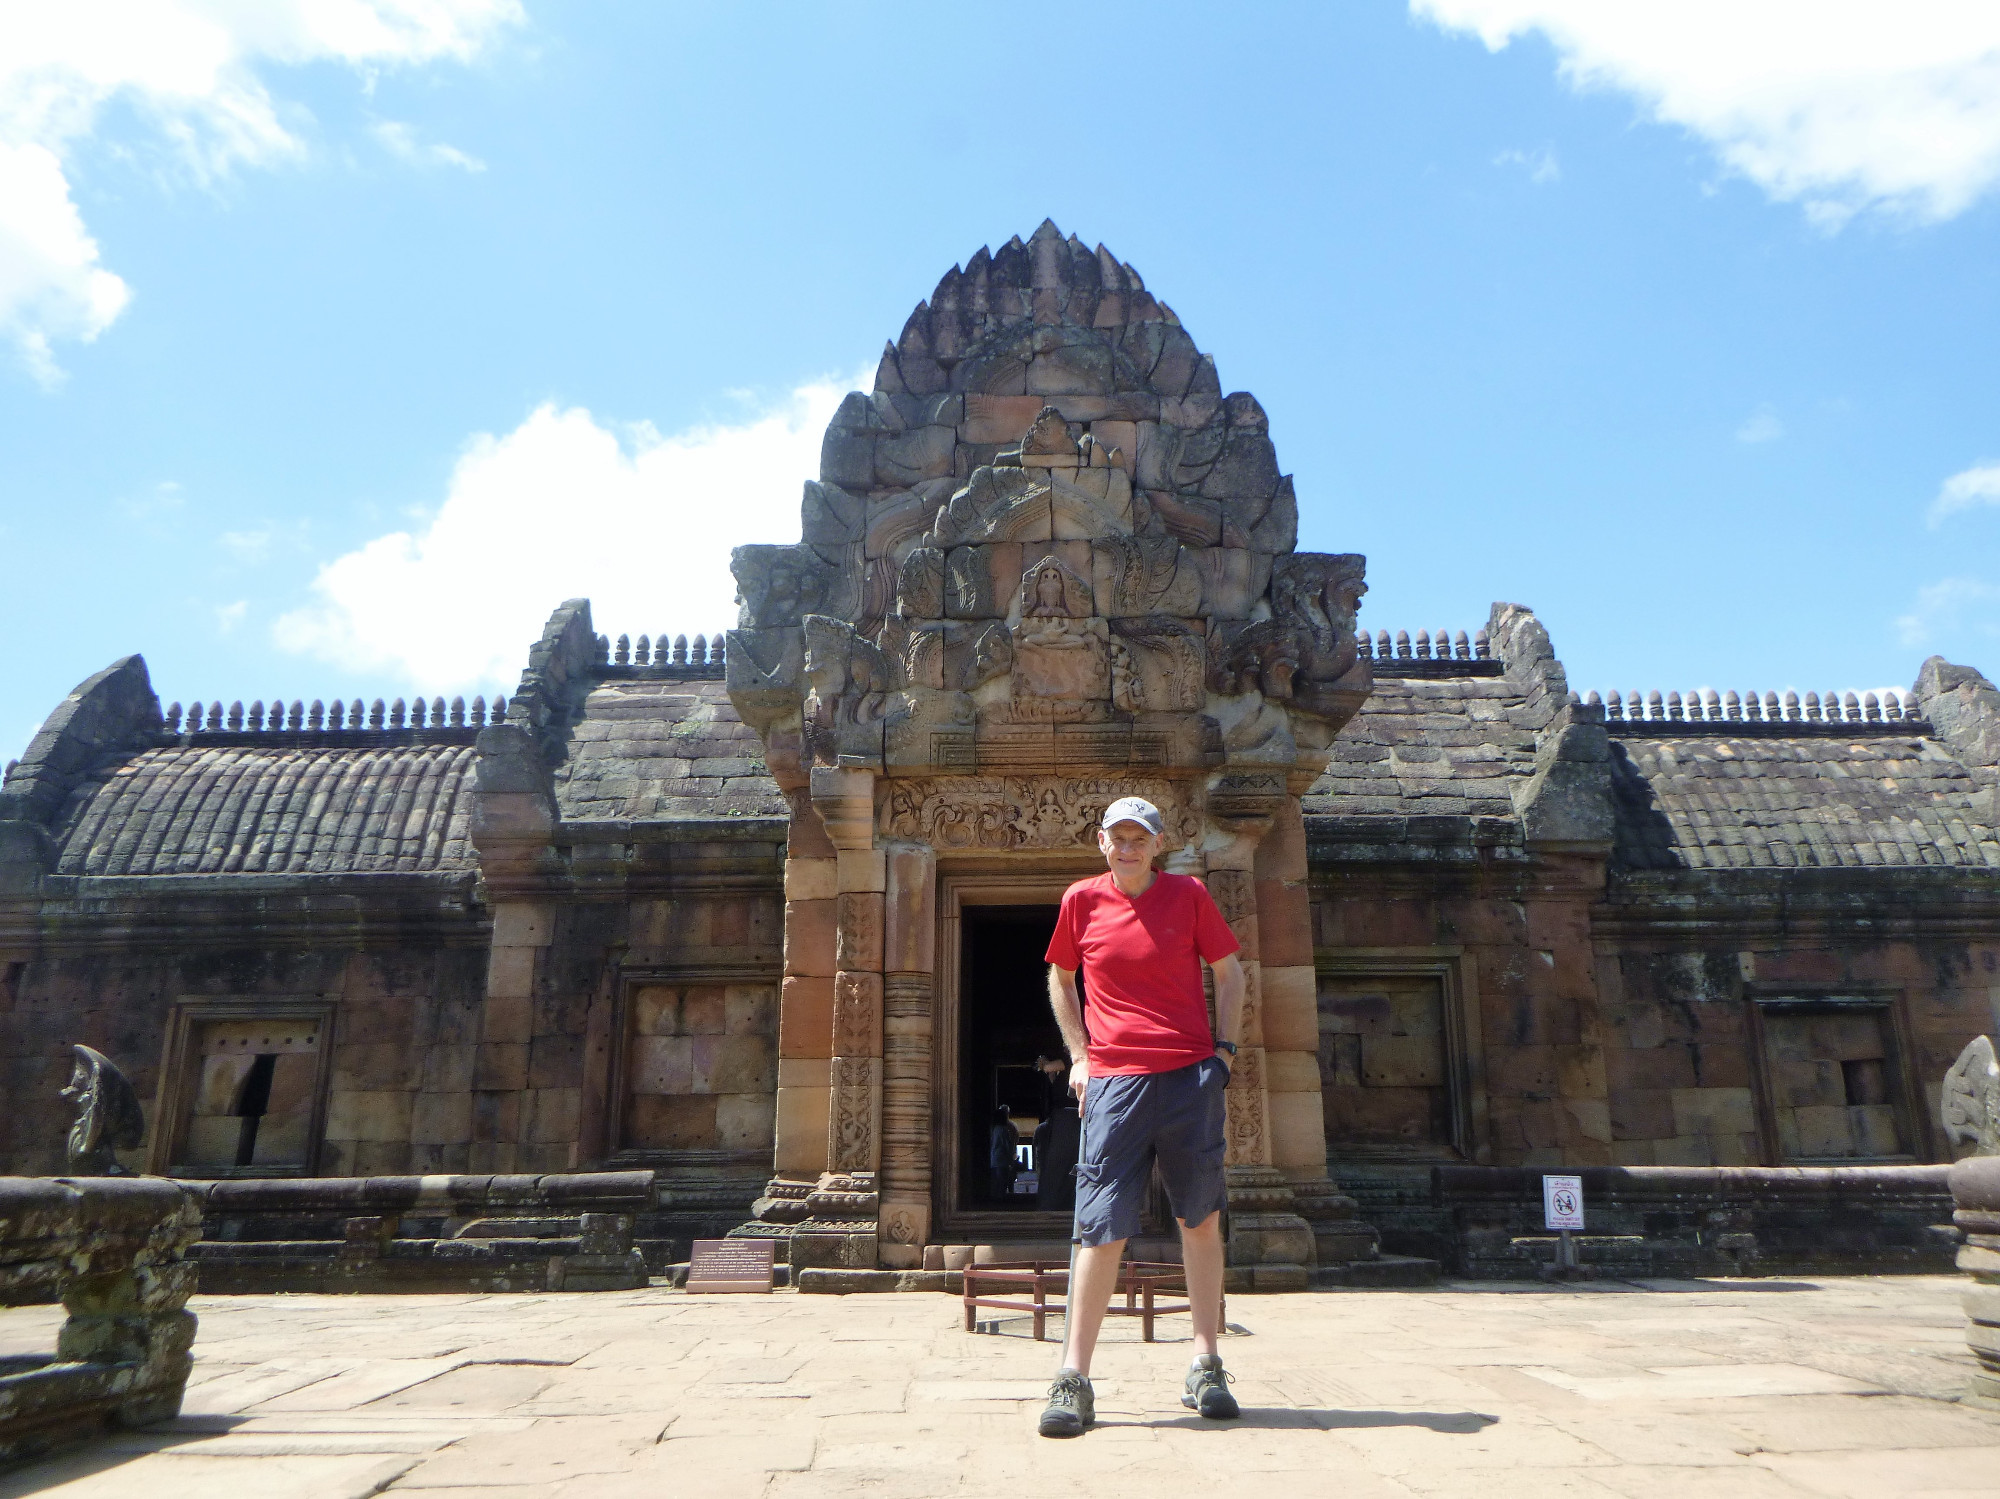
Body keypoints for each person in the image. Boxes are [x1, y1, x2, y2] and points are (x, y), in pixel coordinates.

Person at [1036, 796, 1245, 1438]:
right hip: (1115, 1081)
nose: (1128, 847)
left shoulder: (1188, 897)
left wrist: (1224, 1054)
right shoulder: (1082, 901)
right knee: (1100, 1227)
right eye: (1118, 836)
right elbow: (1061, 977)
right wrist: (1079, 1055)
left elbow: (1231, 973)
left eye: (1140, 837)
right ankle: (1074, 1377)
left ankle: (1207, 1361)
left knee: (1200, 1217)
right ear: (1102, 842)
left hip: (1188, 1075)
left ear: (1159, 845)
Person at [988, 1105, 1020, 1202]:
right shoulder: (1004, 1129)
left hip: (994, 1159)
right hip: (1002, 1160)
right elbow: (1008, 1145)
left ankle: (995, 1200)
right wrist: (1012, 1158)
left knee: (996, 1182)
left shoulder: (993, 1129)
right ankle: (1001, 1202)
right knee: (1003, 1182)